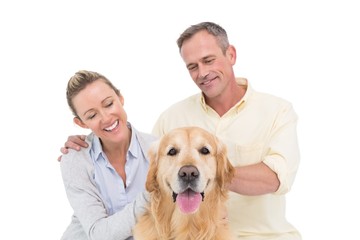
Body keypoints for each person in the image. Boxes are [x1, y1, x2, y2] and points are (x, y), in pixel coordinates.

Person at [60, 22, 301, 240]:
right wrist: (88, 142)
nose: (202, 72)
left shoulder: (277, 110)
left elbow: (276, 177)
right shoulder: (171, 118)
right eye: (192, 66)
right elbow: (155, 176)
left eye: (209, 60)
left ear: (231, 54)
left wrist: (209, 171)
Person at [59, 70, 157, 240]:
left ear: (120, 98)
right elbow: (98, 234)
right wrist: (154, 193)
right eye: (92, 115)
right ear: (81, 123)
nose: (106, 118)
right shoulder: (75, 159)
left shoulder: (159, 150)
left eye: (109, 104)